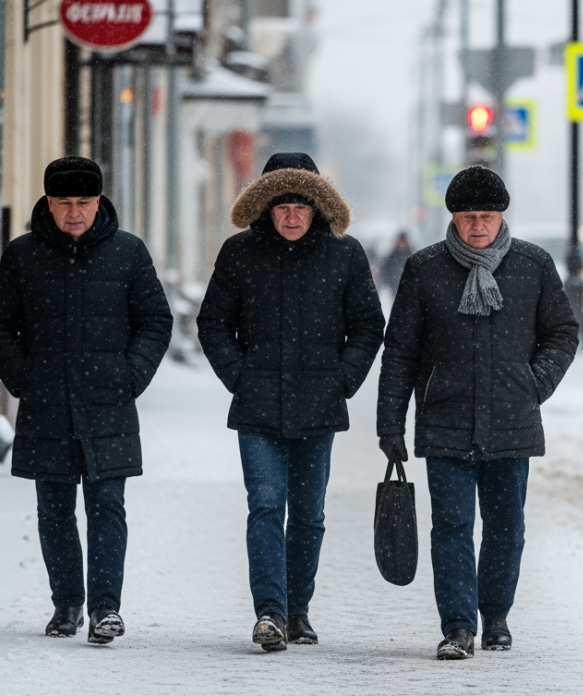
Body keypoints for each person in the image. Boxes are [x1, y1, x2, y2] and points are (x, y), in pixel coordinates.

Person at [376, 165, 579, 660]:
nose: (478, 226)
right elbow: (400, 350)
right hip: (445, 420)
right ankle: (459, 627)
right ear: (454, 218)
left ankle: (496, 618)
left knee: (507, 526)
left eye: (486, 216)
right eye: (468, 217)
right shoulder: (425, 269)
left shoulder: (532, 266)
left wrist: (534, 383)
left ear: (501, 215)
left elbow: (563, 331)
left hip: (512, 420)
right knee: (451, 525)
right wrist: (390, 422)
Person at [0, 156, 172, 644]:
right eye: (63, 203)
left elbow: (155, 320)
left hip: (109, 403)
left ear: (99, 201)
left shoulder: (128, 253)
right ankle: (66, 605)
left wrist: (131, 376)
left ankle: (106, 608)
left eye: (83, 203)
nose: (73, 212)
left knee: (108, 505)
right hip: (48, 404)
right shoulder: (24, 255)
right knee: (54, 508)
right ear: (47, 202)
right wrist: (24, 378)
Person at [197, 152, 385, 652]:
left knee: (308, 515)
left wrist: (343, 379)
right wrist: (240, 376)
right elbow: (213, 323)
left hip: (319, 406)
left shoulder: (344, 254)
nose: (292, 214)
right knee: (265, 506)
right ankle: (271, 614)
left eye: (302, 203)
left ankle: (298, 609)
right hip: (257, 407)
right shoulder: (240, 253)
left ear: (318, 204)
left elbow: (369, 325)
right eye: (282, 204)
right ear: (265, 205)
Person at [378, 230, 414, 295]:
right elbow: (386, 269)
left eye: (404, 241)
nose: (402, 244)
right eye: (401, 241)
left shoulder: (412, 255)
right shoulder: (392, 255)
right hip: (394, 286)